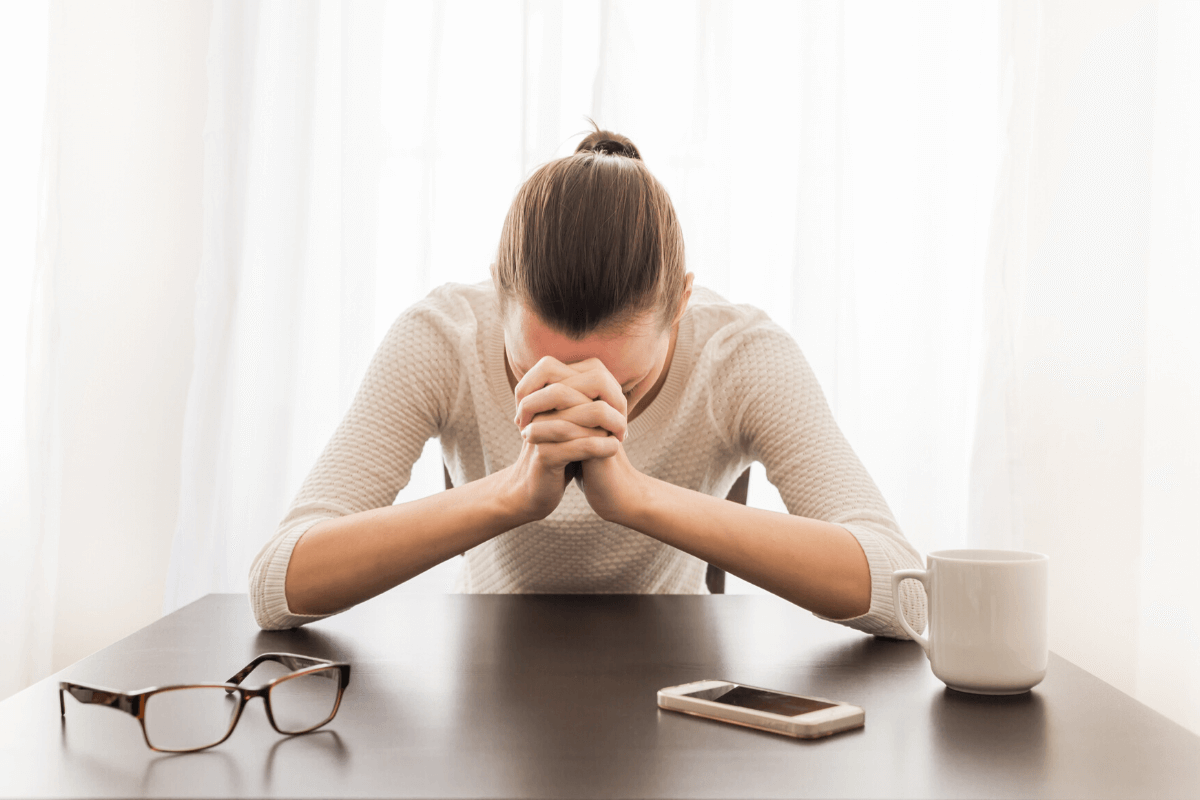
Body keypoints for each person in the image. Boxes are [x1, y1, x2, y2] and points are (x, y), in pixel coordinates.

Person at [248, 127, 927, 639]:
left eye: (621, 386)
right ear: (497, 293)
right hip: (482, 693)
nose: (580, 408)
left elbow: (905, 593)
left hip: (677, 697)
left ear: (682, 306)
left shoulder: (738, 354)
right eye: (533, 373)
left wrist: (637, 497)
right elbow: (277, 584)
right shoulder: (443, 337)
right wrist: (513, 493)